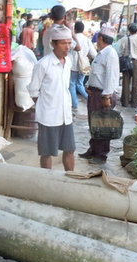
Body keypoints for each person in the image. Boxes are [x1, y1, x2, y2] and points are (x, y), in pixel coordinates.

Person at [27, 25, 76, 171]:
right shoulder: (43, 64)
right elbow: (33, 90)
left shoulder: (68, 62)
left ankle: (71, 179)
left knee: (70, 149)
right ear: (53, 44)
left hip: (65, 114)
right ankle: (47, 180)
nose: (67, 47)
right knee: (47, 152)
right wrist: (44, 105)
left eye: (69, 43)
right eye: (63, 43)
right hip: (48, 116)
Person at [79, 25, 120, 164]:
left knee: (102, 126)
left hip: (103, 95)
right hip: (95, 93)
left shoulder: (110, 54)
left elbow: (111, 77)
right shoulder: (102, 53)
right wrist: (88, 86)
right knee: (94, 123)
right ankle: (93, 150)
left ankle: (101, 155)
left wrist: (106, 96)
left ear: (101, 38)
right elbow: (96, 73)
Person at [69, 20, 95, 115]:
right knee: (80, 84)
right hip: (84, 65)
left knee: (72, 84)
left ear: (75, 29)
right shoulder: (87, 40)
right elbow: (93, 53)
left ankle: (74, 105)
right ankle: (90, 100)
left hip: (73, 65)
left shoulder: (73, 39)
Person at [118, 23, 137, 108]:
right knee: (136, 83)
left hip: (127, 62)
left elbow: (121, 51)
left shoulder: (126, 39)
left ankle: (125, 102)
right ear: (136, 30)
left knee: (126, 82)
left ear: (129, 30)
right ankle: (134, 103)